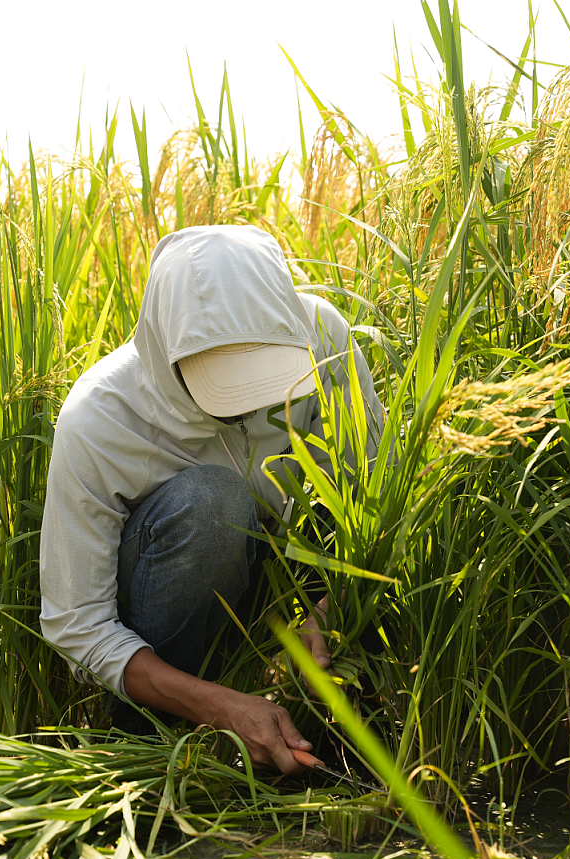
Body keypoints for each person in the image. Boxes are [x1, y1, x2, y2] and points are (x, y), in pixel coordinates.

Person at [39, 224, 384, 775]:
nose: (249, 407)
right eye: (227, 387)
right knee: (213, 501)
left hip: (280, 579)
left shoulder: (323, 336)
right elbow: (76, 624)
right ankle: (156, 735)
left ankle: (315, 712)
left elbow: (367, 485)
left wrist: (330, 604)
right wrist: (220, 708)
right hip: (167, 607)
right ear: (166, 352)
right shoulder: (102, 418)